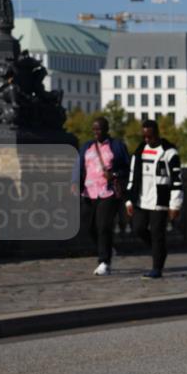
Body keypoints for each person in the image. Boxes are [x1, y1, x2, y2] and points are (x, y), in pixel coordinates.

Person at [71, 116, 130, 275]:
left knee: (103, 226)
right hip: (89, 192)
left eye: (99, 129)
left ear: (106, 130)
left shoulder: (116, 146)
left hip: (108, 192)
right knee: (89, 227)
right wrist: (75, 182)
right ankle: (108, 249)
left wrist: (115, 174)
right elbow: (78, 166)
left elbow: (127, 167)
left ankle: (104, 261)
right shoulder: (87, 147)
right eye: (94, 129)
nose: (96, 132)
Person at [126, 119, 182, 279]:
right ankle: (159, 249)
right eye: (144, 137)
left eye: (149, 137)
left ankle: (157, 268)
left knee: (158, 234)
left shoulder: (170, 153)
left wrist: (175, 204)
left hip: (160, 200)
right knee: (138, 228)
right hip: (141, 200)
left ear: (156, 134)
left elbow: (177, 180)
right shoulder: (139, 151)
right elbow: (132, 177)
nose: (146, 140)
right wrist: (129, 200)